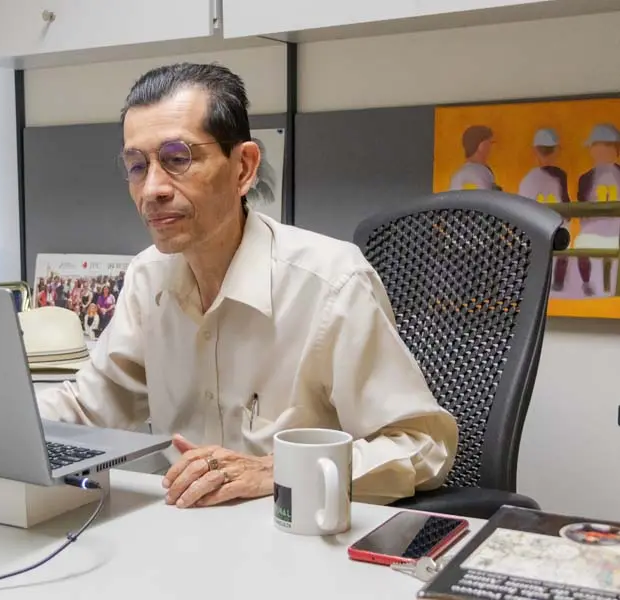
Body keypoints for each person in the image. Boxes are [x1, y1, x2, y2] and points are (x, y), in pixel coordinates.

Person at [36, 62, 458, 509]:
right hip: (190, 535)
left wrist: (279, 469)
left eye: (177, 158)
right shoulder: (148, 276)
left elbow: (423, 446)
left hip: (301, 535)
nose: (152, 189)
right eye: (137, 166)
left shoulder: (331, 283)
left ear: (243, 168)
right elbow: (88, 410)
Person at [517, 128, 591, 295]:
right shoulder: (559, 175)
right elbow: (566, 207)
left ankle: (551, 284)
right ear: (557, 150)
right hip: (557, 231)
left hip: (534, 233)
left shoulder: (527, 179)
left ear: (535, 151)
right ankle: (557, 283)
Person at [577, 123, 620, 296]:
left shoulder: (586, 178)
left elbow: (582, 216)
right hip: (609, 237)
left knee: (581, 243)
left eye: (594, 146)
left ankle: (589, 285)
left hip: (593, 238)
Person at [449, 125, 500, 191]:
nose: (491, 147)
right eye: (490, 143)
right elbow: (481, 199)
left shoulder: (457, 175)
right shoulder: (477, 173)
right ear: (481, 146)